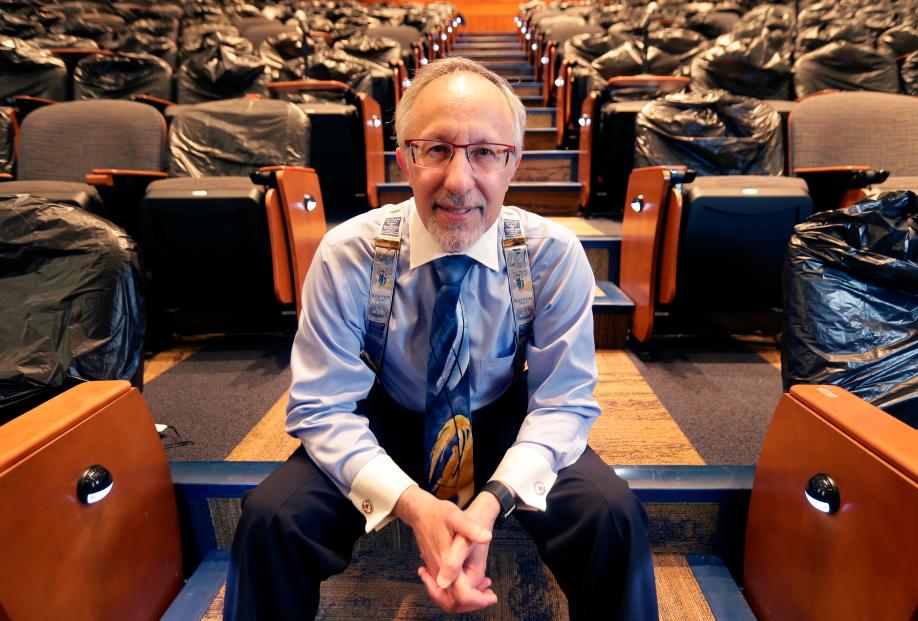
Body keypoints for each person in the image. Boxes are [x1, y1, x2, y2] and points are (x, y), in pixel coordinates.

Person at [224, 56, 658, 620]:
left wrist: (489, 504)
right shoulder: (348, 253)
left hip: (503, 417)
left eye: (484, 152)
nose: (458, 182)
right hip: (390, 415)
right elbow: (321, 406)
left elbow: (563, 401)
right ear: (404, 157)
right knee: (269, 518)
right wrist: (412, 506)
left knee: (613, 516)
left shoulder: (551, 255)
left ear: (513, 163)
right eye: (435, 150)